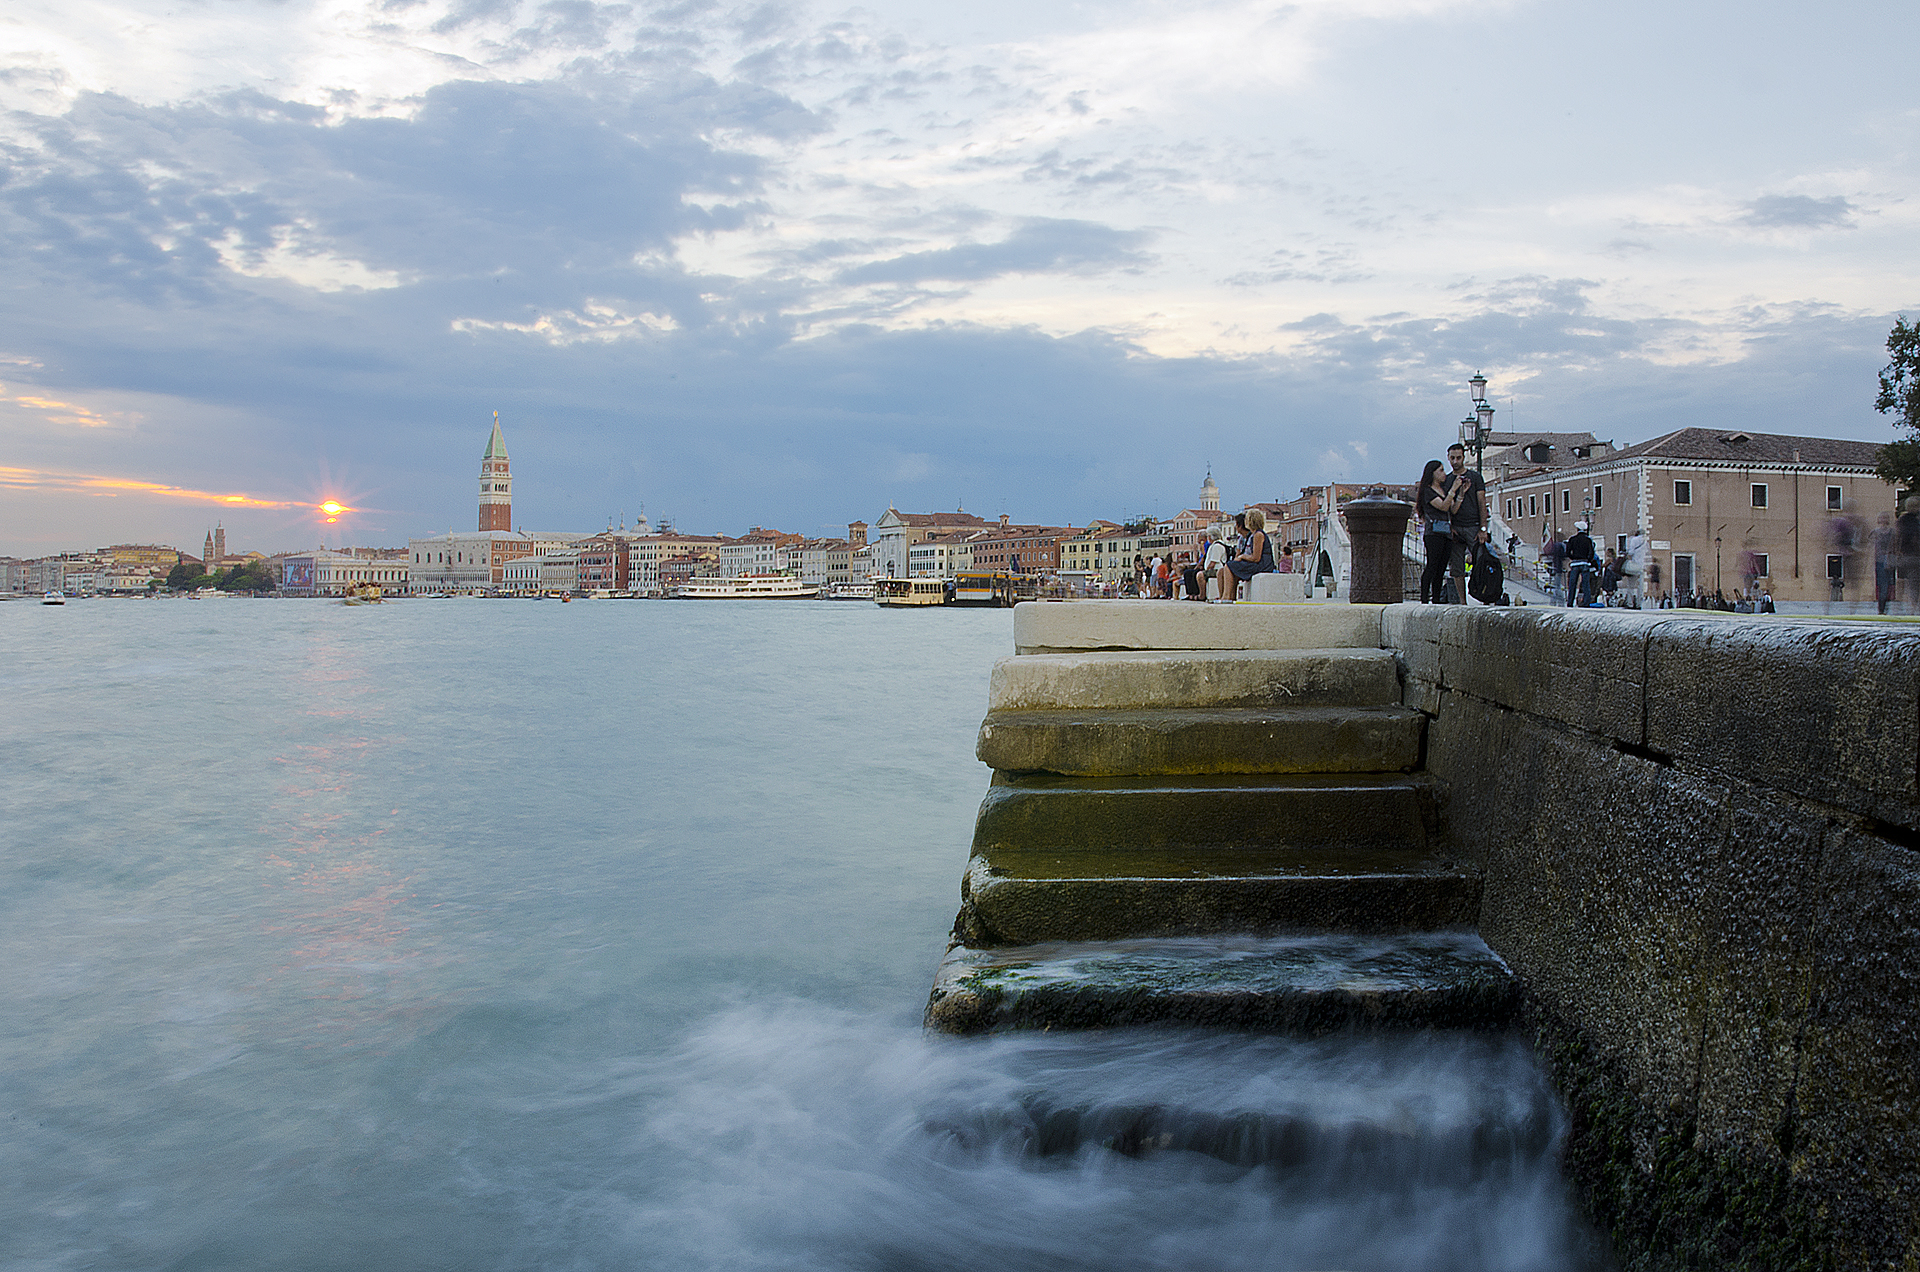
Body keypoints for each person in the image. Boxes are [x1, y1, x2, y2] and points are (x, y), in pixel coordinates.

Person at [1442, 443, 1488, 604]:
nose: (1455, 461)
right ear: (1448, 458)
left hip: (1473, 525)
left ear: (1464, 457)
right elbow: (1445, 507)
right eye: (1452, 458)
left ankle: (1484, 597)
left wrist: (1483, 528)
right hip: (1455, 527)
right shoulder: (1446, 480)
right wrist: (1449, 527)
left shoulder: (1475, 477)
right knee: (1456, 567)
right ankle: (1463, 601)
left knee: (1481, 561)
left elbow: (1482, 502)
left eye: (1458, 458)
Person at [1213, 507, 1273, 602]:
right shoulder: (1252, 535)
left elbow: (1256, 558)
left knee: (1229, 566)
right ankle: (1227, 596)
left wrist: (1242, 557)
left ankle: (1226, 597)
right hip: (1255, 564)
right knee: (1222, 571)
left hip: (1261, 566)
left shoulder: (1258, 535)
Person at [1415, 459, 1454, 603]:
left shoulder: (1444, 490)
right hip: (1433, 533)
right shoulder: (1428, 491)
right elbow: (1443, 506)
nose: (1444, 474)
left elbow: (1452, 508)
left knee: (1441, 568)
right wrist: (1453, 490)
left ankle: (1436, 599)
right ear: (1433, 473)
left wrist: (1460, 494)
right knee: (1432, 565)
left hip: (1446, 533)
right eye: (1441, 470)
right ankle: (1424, 598)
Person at [1564, 521, 1598, 607]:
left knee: (1572, 584)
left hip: (1575, 563)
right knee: (1586, 584)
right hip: (1585, 563)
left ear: (1577, 529)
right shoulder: (1588, 540)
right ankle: (1586, 602)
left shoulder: (1572, 539)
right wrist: (1588, 560)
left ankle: (1570, 602)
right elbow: (1592, 552)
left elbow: (1567, 552)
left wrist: (1573, 558)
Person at [1873, 512, 1896, 615]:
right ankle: (1881, 609)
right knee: (1882, 585)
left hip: (1890, 560)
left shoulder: (1893, 532)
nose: (1883, 520)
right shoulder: (1876, 532)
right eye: (1881, 518)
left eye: (1885, 518)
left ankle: (1884, 607)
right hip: (1880, 561)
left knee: (1888, 585)